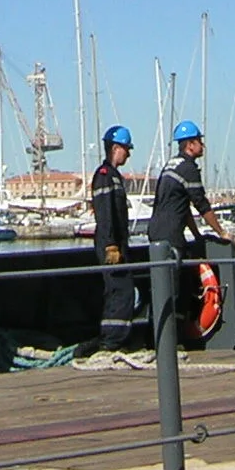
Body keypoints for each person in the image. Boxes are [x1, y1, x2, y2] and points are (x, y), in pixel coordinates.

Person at [148, 120, 234, 323]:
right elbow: (201, 204)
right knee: (173, 288)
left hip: (156, 232)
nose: (202, 145)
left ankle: (160, 330)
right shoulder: (188, 169)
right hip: (171, 235)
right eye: (199, 141)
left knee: (163, 285)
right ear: (189, 145)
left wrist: (196, 235)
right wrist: (222, 232)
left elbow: (183, 207)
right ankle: (174, 335)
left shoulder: (171, 165)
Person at [91, 125, 136, 351]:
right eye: (126, 149)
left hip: (119, 243)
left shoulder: (114, 176)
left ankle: (117, 341)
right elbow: (105, 213)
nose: (128, 154)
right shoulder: (104, 176)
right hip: (111, 245)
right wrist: (110, 244)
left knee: (122, 291)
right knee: (120, 291)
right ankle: (111, 342)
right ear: (116, 148)